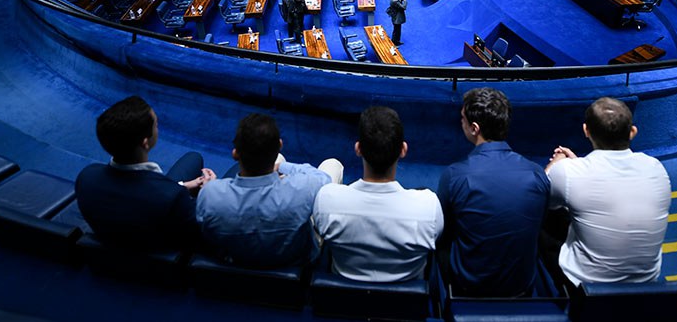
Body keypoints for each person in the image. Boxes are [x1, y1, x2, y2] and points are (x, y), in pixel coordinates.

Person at [542, 97, 671, 291]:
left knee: (543, 214)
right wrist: (574, 166)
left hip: (586, 286)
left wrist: (556, 165)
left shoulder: (569, 173)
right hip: (646, 283)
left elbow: (538, 194)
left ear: (586, 131)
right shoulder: (656, 167)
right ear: (632, 132)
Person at [438, 88, 550, 297]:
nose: (460, 122)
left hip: (468, 287)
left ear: (474, 128)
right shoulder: (537, 174)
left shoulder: (455, 175)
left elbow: (444, 231)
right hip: (521, 286)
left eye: (462, 118)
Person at [313, 106, 443, 282]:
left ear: (358, 149)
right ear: (403, 150)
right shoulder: (429, 207)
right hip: (407, 305)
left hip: (342, 302)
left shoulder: (326, 201)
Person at [196, 113, 343, 268]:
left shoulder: (210, 194)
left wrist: (212, 188)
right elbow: (323, 178)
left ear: (235, 153)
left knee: (280, 159)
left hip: (234, 265)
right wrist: (281, 168)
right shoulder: (301, 188)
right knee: (332, 165)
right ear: (280, 144)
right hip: (295, 265)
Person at [75, 96, 216, 250]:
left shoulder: (86, 178)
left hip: (114, 248)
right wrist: (210, 192)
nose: (158, 126)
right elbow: (200, 233)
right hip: (157, 260)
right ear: (145, 142)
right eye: (156, 124)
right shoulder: (173, 197)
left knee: (193, 158)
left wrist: (182, 186)